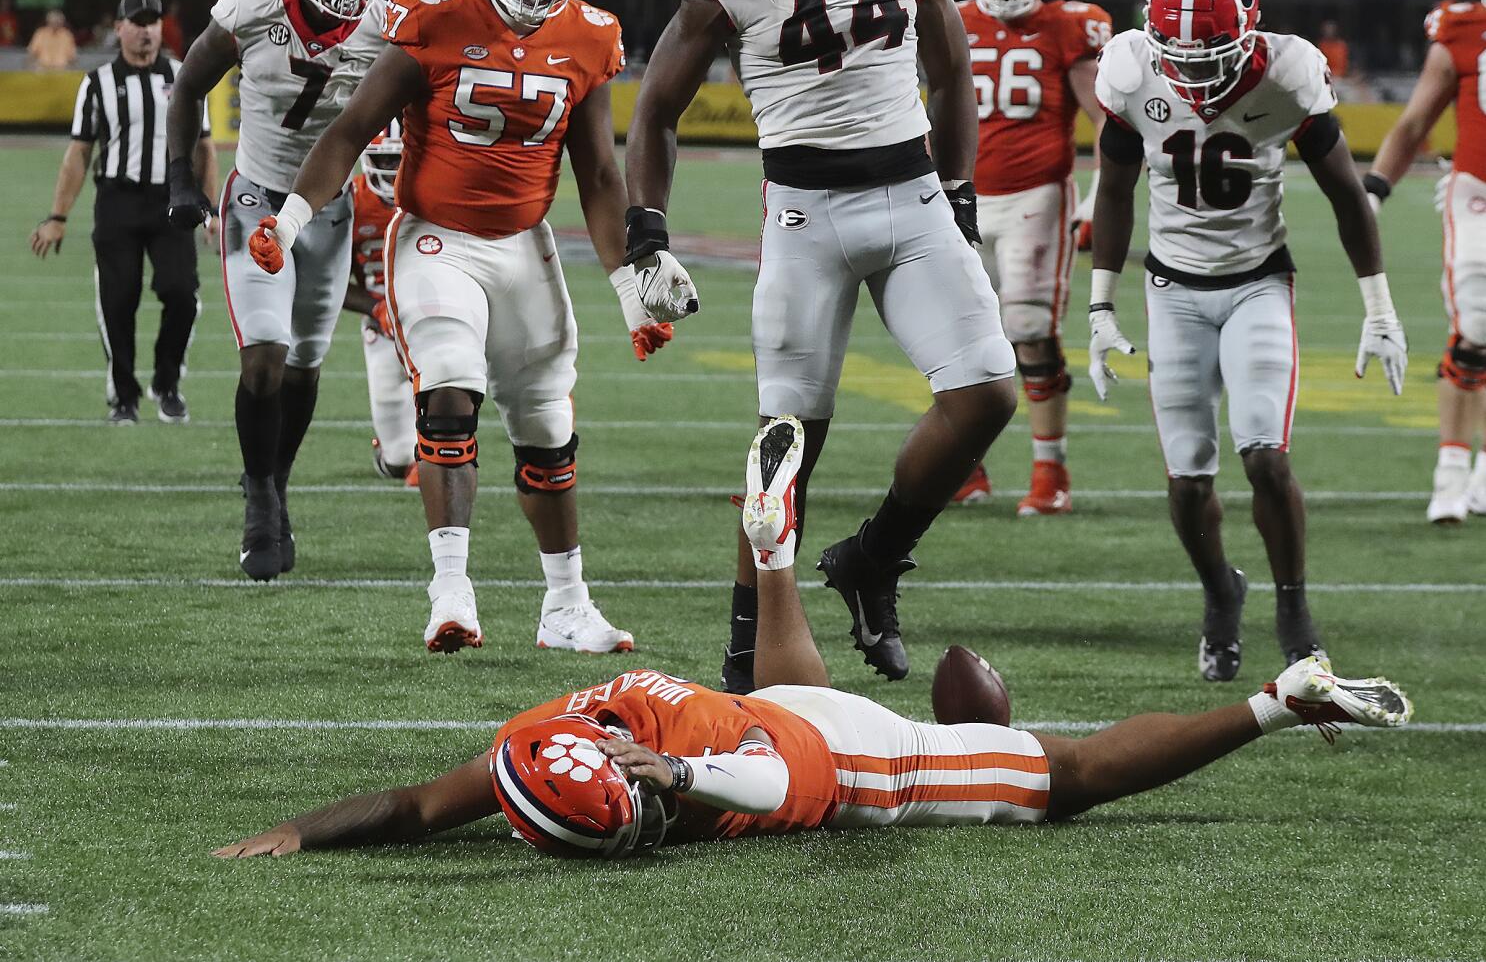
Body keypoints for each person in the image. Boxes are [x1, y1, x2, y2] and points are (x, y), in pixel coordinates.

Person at [213, 415, 1413, 861]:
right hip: (778, 714)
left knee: (1068, 780)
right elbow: (416, 809)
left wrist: (677, 779)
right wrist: (296, 832)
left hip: (833, 757)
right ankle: (771, 552)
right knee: (791, 697)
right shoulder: (543, 748)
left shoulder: (652, 774)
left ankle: (1278, 697)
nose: (643, 830)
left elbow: (764, 775)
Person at [624, 0, 1019, 691]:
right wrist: (648, 230)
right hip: (805, 217)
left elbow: (951, 73)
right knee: (786, 446)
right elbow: (656, 112)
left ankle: (875, 556)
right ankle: (740, 658)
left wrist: (958, 194)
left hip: (914, 194)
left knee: (988, 395)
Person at [245, 0, 672, 655]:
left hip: (525, 243)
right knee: (447, 390)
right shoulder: (435, 13)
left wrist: (631, 293)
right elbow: (349, 131)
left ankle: (566, 604)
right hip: (436, 238)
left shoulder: (587, 36)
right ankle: (451, 591)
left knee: (547, 427)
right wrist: (290, 217)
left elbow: (602, 177)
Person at [1089, 0, 1408, 683]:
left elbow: (1347, 196)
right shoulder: (1132, 68)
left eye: (1212, 55)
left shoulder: (1289, 71)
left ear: (1251, 32)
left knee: (1265, 455)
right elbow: (1112, 187)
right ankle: (1219, 594)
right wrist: (1102, 304)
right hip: (1172, 289)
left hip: (1259, 281)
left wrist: (1379, 307)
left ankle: (1294, 606)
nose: (1193, 72)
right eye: (1178, 53)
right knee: (1188, 478)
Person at [163, 0, 390, 581]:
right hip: (258, 199)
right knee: (262, 358)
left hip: (329, 212)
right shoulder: (254, 8)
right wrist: (180, 177)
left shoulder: (382, 28)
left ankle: (277, 481)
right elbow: (188, 87)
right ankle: (258, 497)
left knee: (304, 369)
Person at [950, 0, 1112, 515]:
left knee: (1027, 330)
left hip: (1035, 196)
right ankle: (965, 467)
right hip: (958, 199)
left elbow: (1108, 124)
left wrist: (1099, 197)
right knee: (955, 337)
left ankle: (1051, 471)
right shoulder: (954, 19)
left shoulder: (1070, 28)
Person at [28, 0, 216, 423]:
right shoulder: (97, 83)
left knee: (181, 294)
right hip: (118, 199)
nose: (146, 30)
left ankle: (167, 384)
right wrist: (58, 217)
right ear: (119, 29)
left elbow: (205, 147)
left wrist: (211, 208)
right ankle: (124, 395)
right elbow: (78, 152)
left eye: (152, 22)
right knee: (117, 300)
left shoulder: (184, 75)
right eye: (137, 21)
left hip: (173, 198)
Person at [1364, 0, 1486, 523]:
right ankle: (1451, 471)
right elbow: (1414, 123)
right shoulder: (1461, 30)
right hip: (1477, 192)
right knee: (1476, 328)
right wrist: (1373, 191)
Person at [341, 121, 418, 486]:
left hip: (432, 318)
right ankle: (393, 452)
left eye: (399, 161)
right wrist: (377, 307)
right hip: (381, 327)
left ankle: (437, 452)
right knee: (399, 458)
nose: (392, 171)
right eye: (385, 161)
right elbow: (330, 283)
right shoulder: (351, 201)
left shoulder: (433, 195)